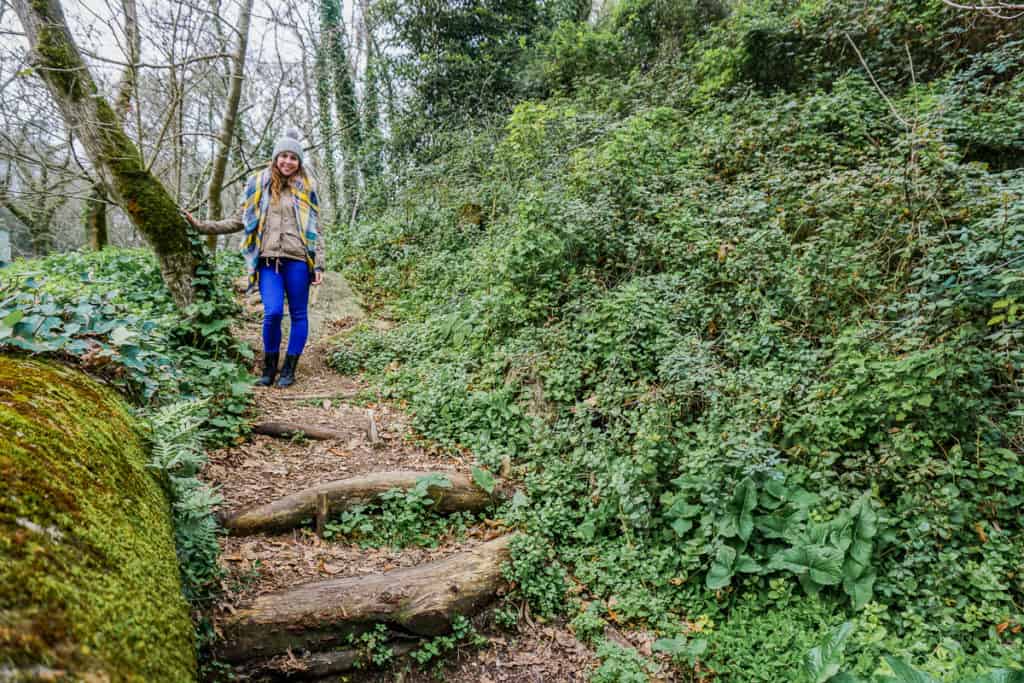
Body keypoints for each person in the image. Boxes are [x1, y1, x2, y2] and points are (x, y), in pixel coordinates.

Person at [184, 128, 324, 388]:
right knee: (271, 313)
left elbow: (316, 229)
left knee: (298, 315)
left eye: (293, 158)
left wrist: (320, 264)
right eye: (283, 156)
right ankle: (269, 369)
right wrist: (202, 226)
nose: (287, 162)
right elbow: (240, 220)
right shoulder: (257, 185)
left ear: (299, 162)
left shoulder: (307, 187)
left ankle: (289, 370)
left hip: (298, 261)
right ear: (275, 158)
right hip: (268, 261)